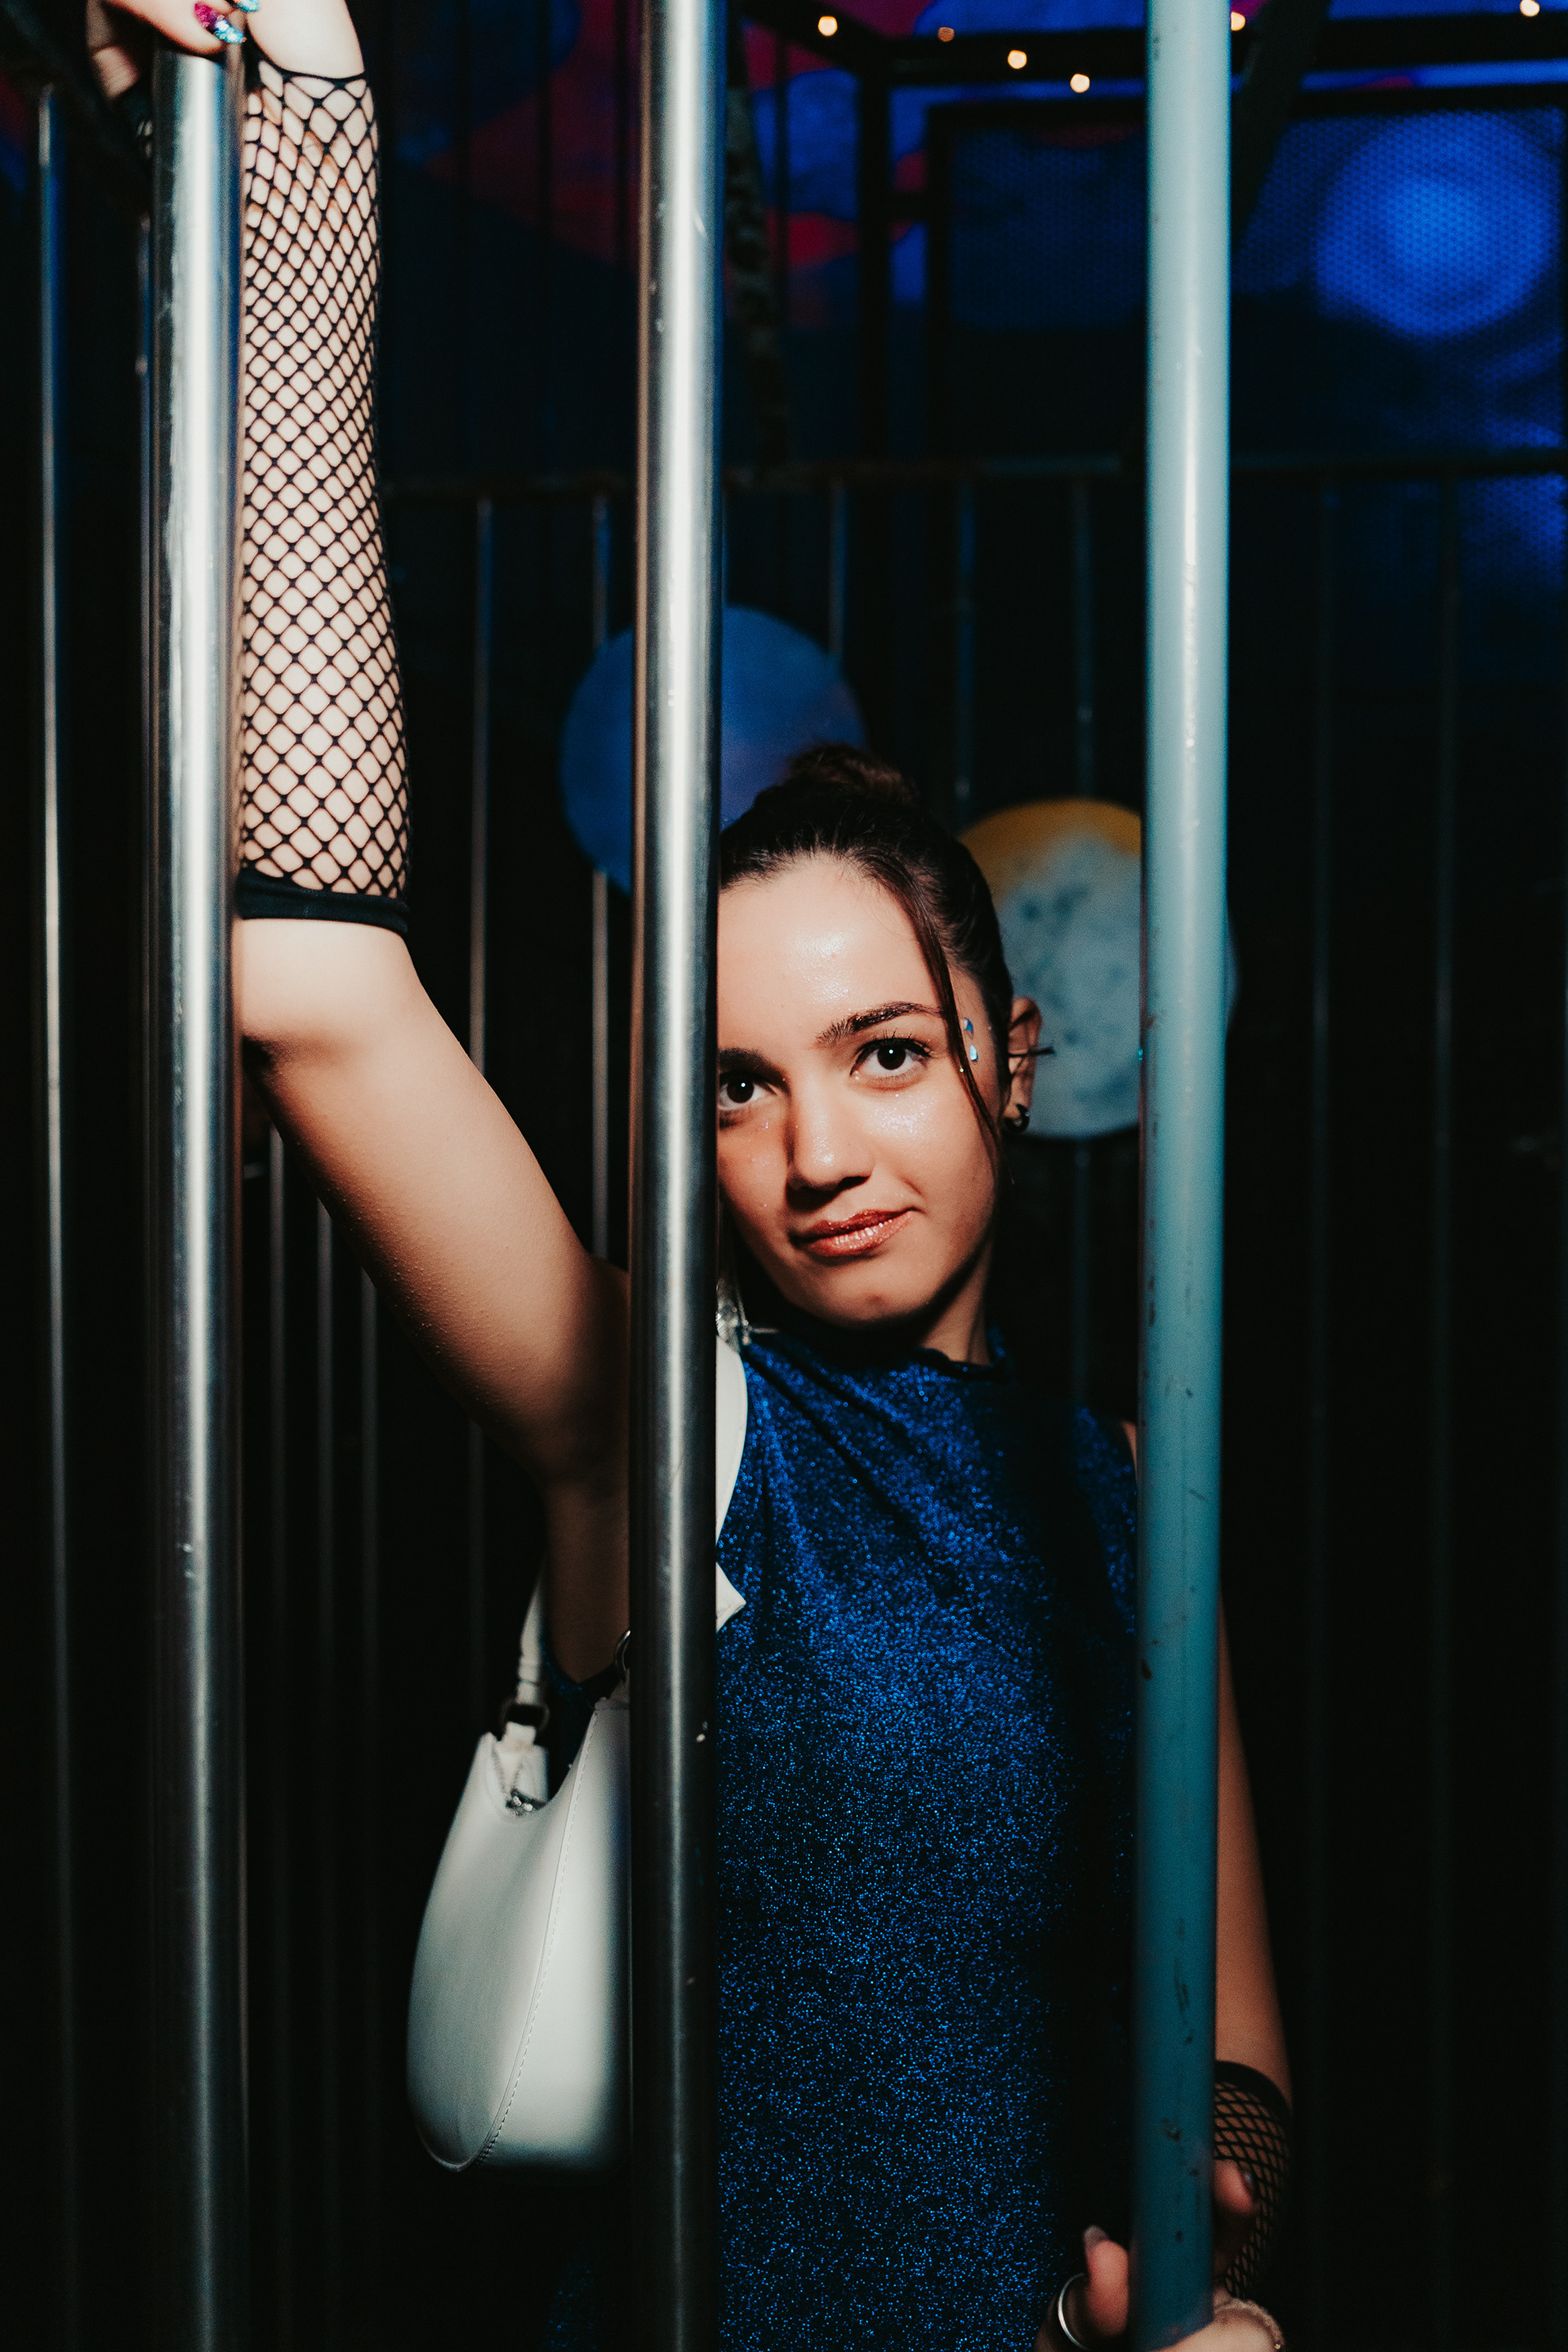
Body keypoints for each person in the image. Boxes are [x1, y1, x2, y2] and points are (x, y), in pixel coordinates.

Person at [91, 2, 1292, 2345]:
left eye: (883, 1055)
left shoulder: (1124, 1492)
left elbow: (1232, 2048)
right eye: (736, 1086)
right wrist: (308, 138)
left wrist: (1198, 2250)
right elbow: (309, 984)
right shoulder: (659, 1431)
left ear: (1010, 1065)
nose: (819, 1150)